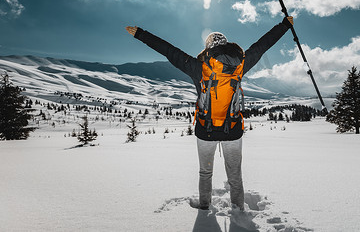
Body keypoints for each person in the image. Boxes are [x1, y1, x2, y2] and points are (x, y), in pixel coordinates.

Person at [125, 16, 293, 211]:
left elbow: (168, 50)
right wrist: (284, 25)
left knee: (205, 172)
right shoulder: (240, 64)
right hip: (233, 130)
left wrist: (140, 34)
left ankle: (205, 206)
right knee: (235, 175)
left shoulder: (199, 68)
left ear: (208, 47)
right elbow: (262, 45)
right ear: (226, 45)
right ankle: (238, 209)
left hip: (206, 130)